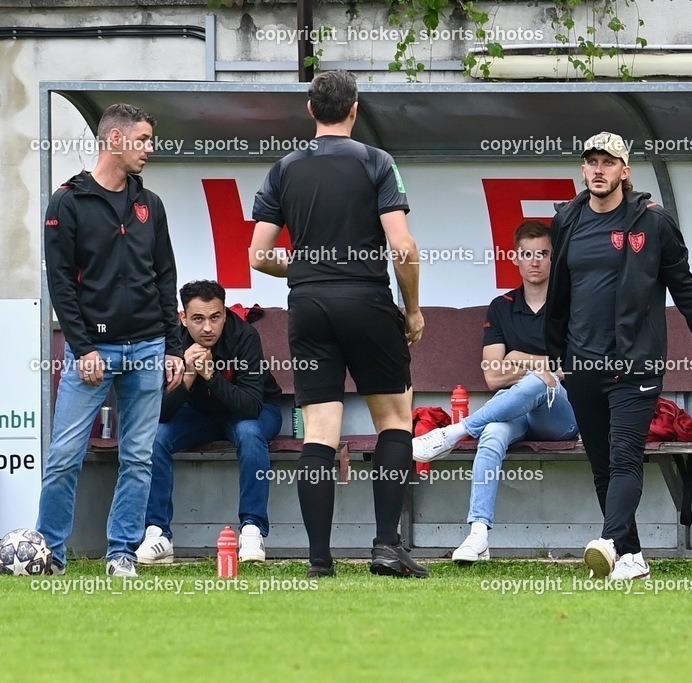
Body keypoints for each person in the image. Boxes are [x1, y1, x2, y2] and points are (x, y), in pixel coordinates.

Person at [249, 70, 427, 579]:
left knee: (320, 433)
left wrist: (307, 268)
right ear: (355, 108)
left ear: (311, 110)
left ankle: (319, 561)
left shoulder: (283, 169)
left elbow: (259, 256)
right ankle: (387, 548)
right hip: (367, 301)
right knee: (394, 420)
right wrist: (412, 308)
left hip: (308, 306)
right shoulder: (377, 162)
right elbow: (404, 247)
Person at [545, 132, 692, 580]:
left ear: (626, 171)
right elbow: (560, 293)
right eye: (592, 162)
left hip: (635, 363)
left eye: (609, 162)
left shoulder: (653, 223)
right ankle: (632, 556)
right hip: (582, 364)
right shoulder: (567, 218)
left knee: (626, 455)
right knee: (602, 463)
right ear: (583, 169)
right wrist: (554, 354)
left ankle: (608, 541)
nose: (599, 170)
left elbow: (684, 289)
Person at [38, 103, 184, 578]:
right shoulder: (67, 201)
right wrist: (83, 348)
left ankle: (122, 553)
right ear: (115, 140)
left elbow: (166, 277)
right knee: (64, 456)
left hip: (146, 347)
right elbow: (60, 284)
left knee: (138, 457)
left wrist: (173, 347)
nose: (149, 150)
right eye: (142, 140)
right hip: (93, 353)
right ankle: (49, 554)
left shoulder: (151, 205)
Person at [412, 221, 578, 562]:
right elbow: (492, 376)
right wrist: (540, 363)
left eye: (543, 254)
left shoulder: (570, 303)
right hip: (512, 410)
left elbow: (571, 368)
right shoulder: (501, 306)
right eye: (527, 254)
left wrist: (519, 360)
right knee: (491, 433)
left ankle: (455, 432)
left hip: (560, 413)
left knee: (537, 381)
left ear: (554, 258)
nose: (535, 261)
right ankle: (478, 535)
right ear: (515, 258)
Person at [136, 280, 283, 565]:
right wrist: (189, 374)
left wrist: (212, 376)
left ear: (225, 314)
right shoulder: (173, 343)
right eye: (198, 319)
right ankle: (158, 534)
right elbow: (161, 413)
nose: (207, 328)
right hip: (199, 414)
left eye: (215, 317)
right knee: (156, 436)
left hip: (254, 411)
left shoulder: (244, 336)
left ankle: (252, 530)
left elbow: (251, 406)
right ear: (183, 318)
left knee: (250, 433)